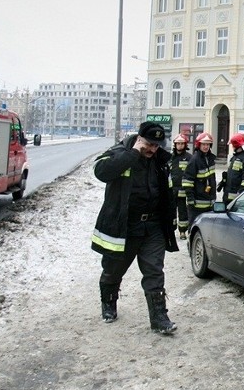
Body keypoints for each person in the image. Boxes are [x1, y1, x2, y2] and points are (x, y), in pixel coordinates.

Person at [91, 121, 178, 334]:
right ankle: (109, 303)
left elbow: (167, 193)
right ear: (139, 139)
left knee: (154, 271)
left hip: (153, 227)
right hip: (125, 227)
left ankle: (159, 318)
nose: (152, 149)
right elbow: (100, 171)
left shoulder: (160, 161)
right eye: (149, 144)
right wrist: (133, 154)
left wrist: (171, 219)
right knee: (113, 270)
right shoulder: (120, 152)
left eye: (156, 146)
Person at [183, 132, 217, 225]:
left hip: (209, 201)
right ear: (199, 145)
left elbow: (212, 180)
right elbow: (187, 181)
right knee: (194, 226)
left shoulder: (211, 159)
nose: (206, 147)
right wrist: (190, 199)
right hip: (197, 204)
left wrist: (213, 197)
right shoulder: (194, 160)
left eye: (208, 144)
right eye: (203, 144)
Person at [169, 134, 191, 240]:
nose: (180, 146)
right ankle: (171, 230)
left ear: (185, 145)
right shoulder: (170, 158)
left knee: (183, 211)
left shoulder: (189, 157)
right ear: (175, 145)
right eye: (178, 143)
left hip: (183, 190)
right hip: (171, 190)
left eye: (182, 143)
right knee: (171, 211)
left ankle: (182, 231)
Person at [222, 133, 244, 202]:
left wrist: (240, 195)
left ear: (236, 146)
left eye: (233, 145)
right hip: (227, 197)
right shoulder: (234, 157)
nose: (232, 147)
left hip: (236, 200)